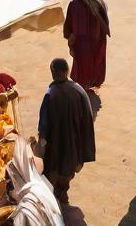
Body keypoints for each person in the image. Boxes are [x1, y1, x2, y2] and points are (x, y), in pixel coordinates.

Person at [36, 57, 96, 205]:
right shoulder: (79, 90)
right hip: (74, 147)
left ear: (53, 72)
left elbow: (44, 126)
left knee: (52, 174)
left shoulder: (51, 95)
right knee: (66, 175)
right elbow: (88, 120)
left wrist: (40, 146)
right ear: (67, 71)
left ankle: (56, 200)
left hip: (55, 148)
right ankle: (63, 195)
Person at [63, 0, 110, 90]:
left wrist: (70, 35)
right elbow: (105, 16)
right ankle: (93, 81)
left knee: (82, 63)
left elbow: (69, 21)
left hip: (82, 40)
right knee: (95, 59)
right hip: (97, 37)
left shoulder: (74, 3)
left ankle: (82, 86)